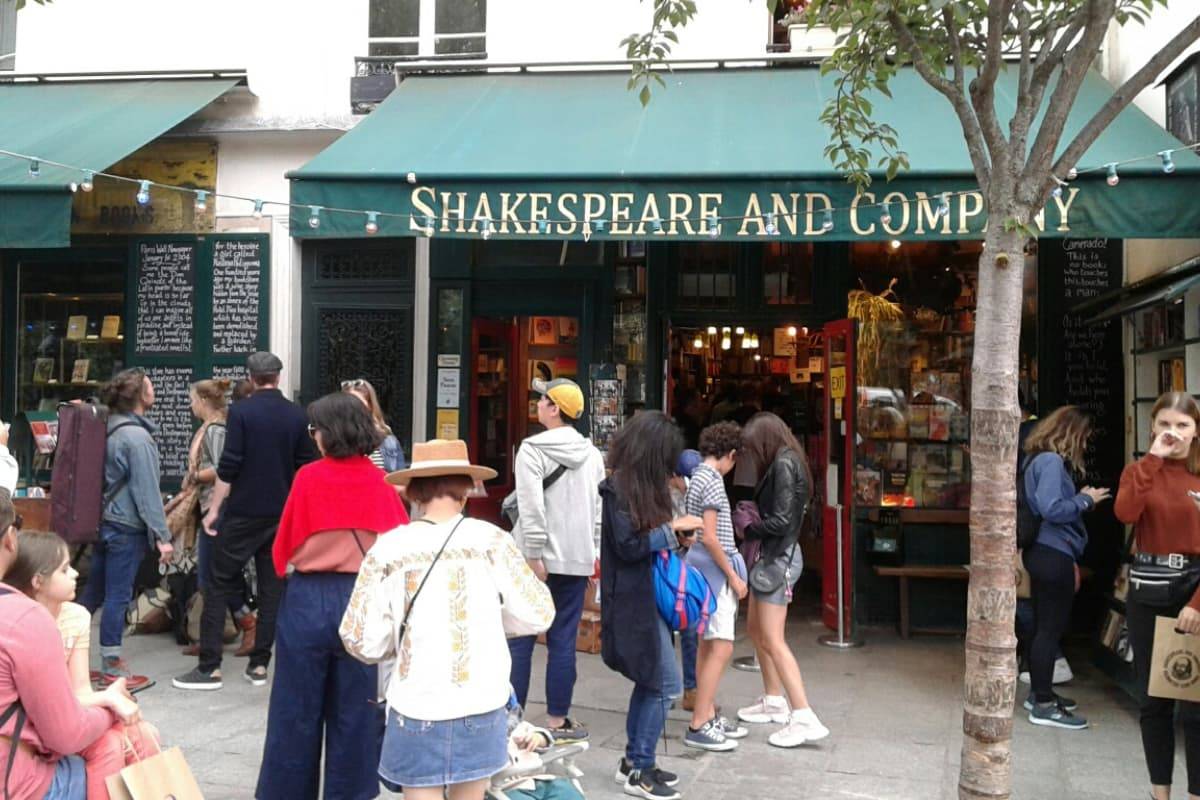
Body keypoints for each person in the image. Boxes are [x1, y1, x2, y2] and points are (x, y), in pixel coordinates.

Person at [340, 439, 554, 800]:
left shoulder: (388, 548)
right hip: (482, 699)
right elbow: (539, 612)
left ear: (414, 492)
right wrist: (492, 621)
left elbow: (360, 638)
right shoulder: (491, 541)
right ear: (467, 488)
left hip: (415, 702)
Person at [256, 393, 409, 800]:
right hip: (362, 598)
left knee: (294, 710)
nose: (313, 436)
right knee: (355, 711)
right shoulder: (382, 483)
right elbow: (400, 548)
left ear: (328, 433)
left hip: (308, 598)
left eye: (315, 429)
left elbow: (282, 550)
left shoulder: (309, 477)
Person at [175, 352, 317, 691]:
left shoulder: (241, 413)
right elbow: (306, 466)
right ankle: (259, 665)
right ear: (278, 378)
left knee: (217, 584)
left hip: (242, 514)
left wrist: (213, 510)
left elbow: (230, 466)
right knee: (271, 590)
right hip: (279, 515)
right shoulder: (296, 416)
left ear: (252, 378)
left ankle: (209, 667)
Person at [8, 529, 159, 800]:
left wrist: (108, 699)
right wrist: (111, 704)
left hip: (67, 714)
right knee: (112, 743)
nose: (76, 573)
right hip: (38, 728)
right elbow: (55, 720)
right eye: (65, 570)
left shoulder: (76, 617)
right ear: (38, 581)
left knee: (142, 732)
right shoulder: (27, 624)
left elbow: (80, 691)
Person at [599, 411, 704, 800]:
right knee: (666, 684)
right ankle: (639, 767)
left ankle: (635, 760)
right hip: (631, 601)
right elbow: (628, 547)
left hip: (647, 596)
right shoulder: (618, 490)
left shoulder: (639, 487)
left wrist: (678, 540)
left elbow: (646, 544)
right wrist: (670, 532)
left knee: (652, 680)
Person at [0, 490, 121, 800]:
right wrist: (110, 711)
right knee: (118, 745)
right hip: (16, 785)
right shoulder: (24, 618)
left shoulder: (67, 617)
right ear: (11, 539)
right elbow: (66, 734)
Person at [509, 378, 606, 742]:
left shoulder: (531, 450)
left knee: (521, 637)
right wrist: (593, 553)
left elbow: (531, 507)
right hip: (577, 558)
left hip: (539, 559)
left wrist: (533, 553)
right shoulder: (592, 454)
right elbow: (599, 510)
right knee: (563, 639)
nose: (538, 403)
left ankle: (514, 717)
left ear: (555, 409)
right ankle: (557, 719)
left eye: (543, 399)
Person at [1115, 391, 1200, 800]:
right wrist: (1153, 458)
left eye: (1182, 425)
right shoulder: (1138, 471)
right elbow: (1125, 513)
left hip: (1195, 589)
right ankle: (1159, 793)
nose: (1174, 433)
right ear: (1153, 426)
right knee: (1154, 701)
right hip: (1149, 591)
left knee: (1196, 704)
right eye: (1165, 424)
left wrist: (1197, 605)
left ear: (1196, 430)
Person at [734, 412, 828, 749]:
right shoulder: (788, 460)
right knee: (758, 631)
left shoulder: (784, 465)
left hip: (779, 557)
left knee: (773, 639)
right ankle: (773, 700)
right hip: (775, 555)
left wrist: (749, 528)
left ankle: (803, 715)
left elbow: (783, 520)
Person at [80, 368, 173, 690]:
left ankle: (64, 654)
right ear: (140, 397)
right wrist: (163, 536)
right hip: (126, 526)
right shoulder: (138, 438)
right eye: (150, 386)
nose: (154, 390)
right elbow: (146, 492)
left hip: (105, 521)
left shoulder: (106, 429)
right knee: (118, 595)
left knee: (93, 592)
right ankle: (111, 666)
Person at [1021, 405, 1108, 730]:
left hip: (1042, 551)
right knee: (1050, 629)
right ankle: (1043, 703)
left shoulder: (1035, 459)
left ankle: (1039, 693)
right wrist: (1086, 500)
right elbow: (1052, 508)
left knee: (1043, 625)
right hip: (1052, 550)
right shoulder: (1052, 462)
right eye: (1084, 437)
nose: (1084, 444)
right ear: (1072, 434)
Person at [683, 422, 749, 752]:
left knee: (706, 644)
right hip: (715, 573)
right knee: (721, 645)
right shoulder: (713, 482)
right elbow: (710, 536)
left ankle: (706, 713)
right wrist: (734, 576)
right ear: (731, 454)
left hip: (698, 569)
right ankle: (698, 723)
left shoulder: (697, 476)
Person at [181, 378, 256, 659]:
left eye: (192, 400)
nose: (190, 405)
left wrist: (195, 476)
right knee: (211, 574)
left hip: (217, 507)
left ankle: (247, 623)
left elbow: (223, 467)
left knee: (214, 574)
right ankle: (213, 633)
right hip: (211, 506)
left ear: (203, 401)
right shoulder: (214, 427)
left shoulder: (215, 429)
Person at [670, 450, 702, 713]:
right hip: (667, 567)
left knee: (691, 627)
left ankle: (691, 689)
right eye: (684, 480)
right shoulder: (661, 496)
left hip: (688, 567)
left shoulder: (696, 491)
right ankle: (666, 687)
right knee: (664, 630)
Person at [342, 378, 407, 472]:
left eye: (359, 403)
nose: (355, 407)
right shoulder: (336, 438)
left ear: (370, 405)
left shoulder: (387, 437)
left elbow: (399, 477)